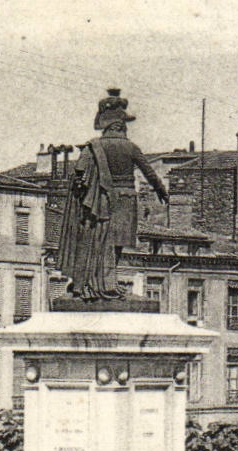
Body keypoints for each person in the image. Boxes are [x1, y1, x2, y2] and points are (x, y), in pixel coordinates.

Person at [53, 89, 170, 301]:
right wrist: (161, 190)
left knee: (96, 241)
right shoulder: (130, 146)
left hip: (101, 200)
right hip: (125, 200)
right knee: (116, 244)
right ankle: (109, 281)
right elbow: (149, 172)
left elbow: (79, 172)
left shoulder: (94, 146)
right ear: (120, 126)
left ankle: (94, 282)